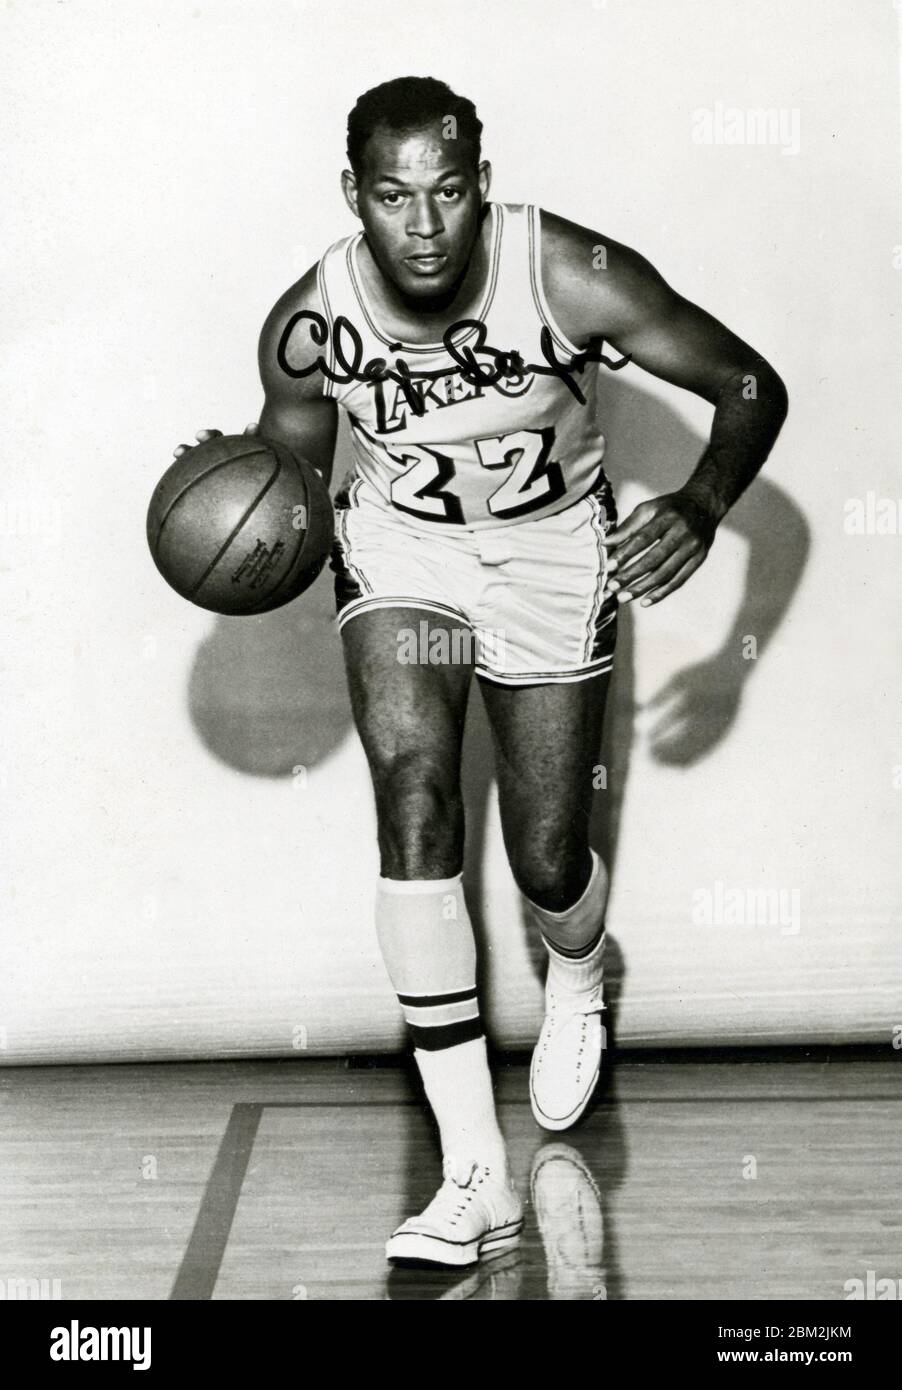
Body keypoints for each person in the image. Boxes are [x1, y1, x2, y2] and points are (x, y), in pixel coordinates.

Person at [175, 75, 787, 1267]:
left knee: (547, 855)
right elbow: (294, 478)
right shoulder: (306, 325)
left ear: (481, 188)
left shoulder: (568, 272)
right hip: (401, 552)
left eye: (446, 192)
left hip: (554, 554)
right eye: (392, 194)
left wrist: (705, 505)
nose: (421, 223)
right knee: (412, 789)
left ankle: (577, 965)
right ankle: (474, 1176)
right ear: (351, 193)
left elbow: (750, 382)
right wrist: (236, 504)